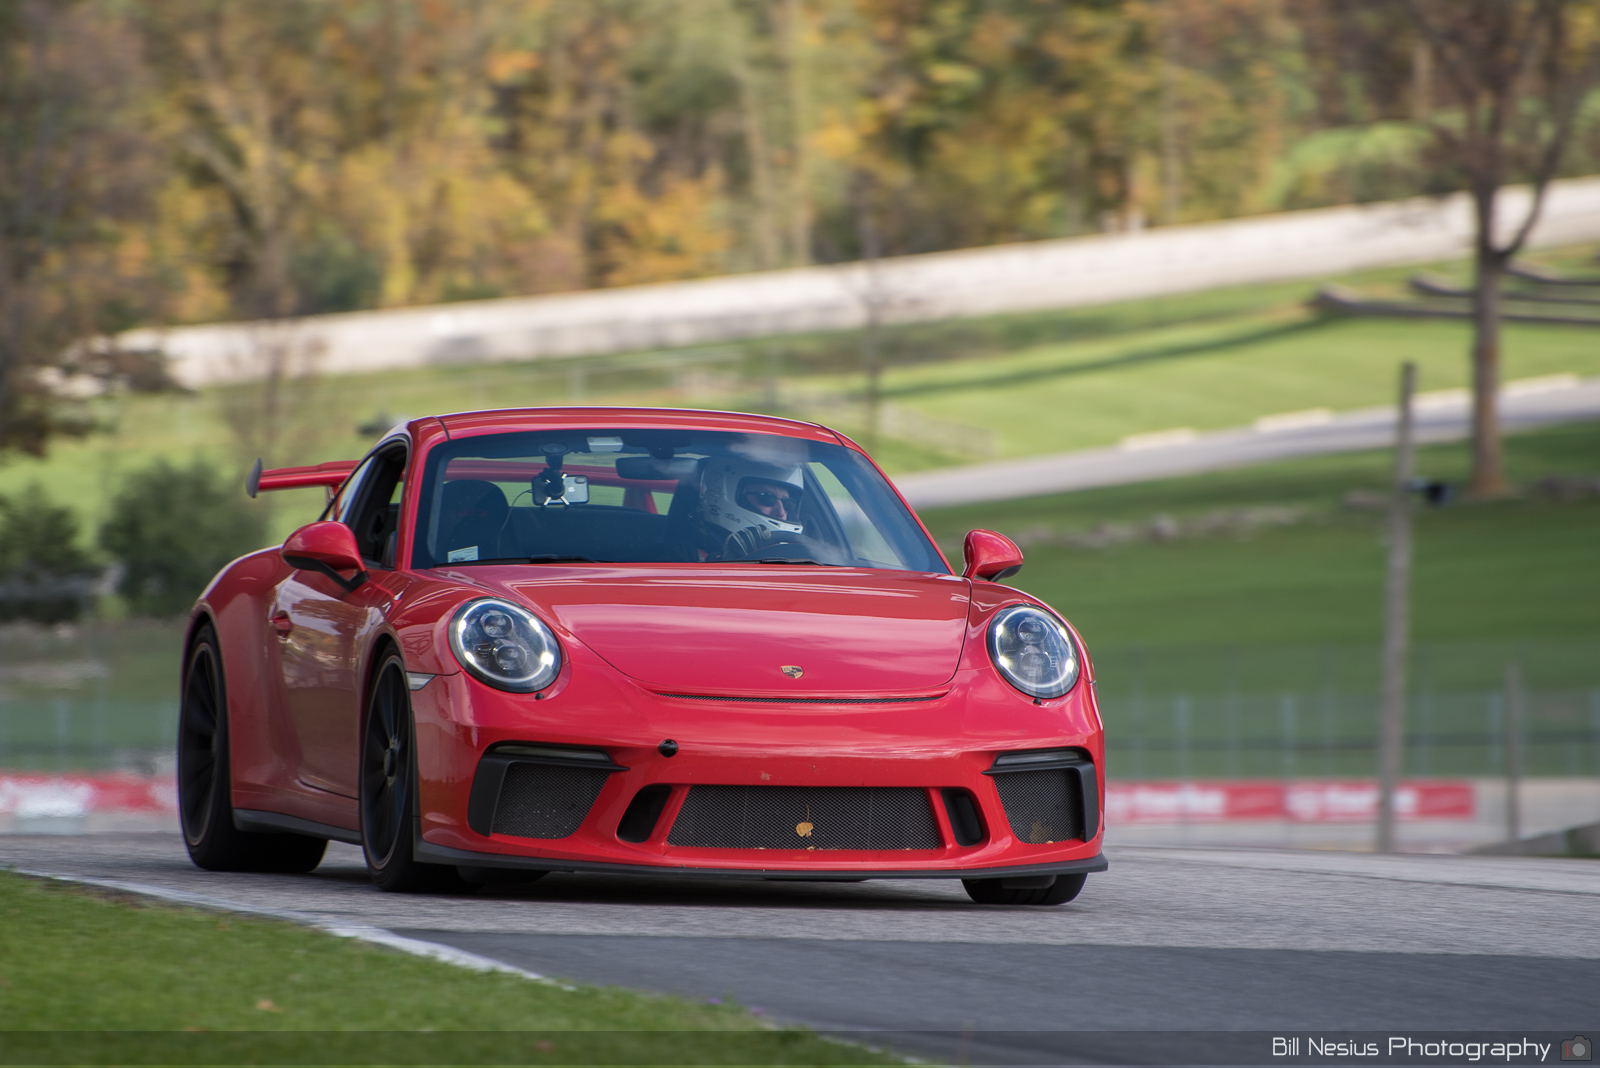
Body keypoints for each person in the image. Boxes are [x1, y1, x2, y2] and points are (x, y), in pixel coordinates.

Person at [697, 458, 807, 559]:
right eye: (767, 497)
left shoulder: (801, 554)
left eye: (788, 503)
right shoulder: (688, 551)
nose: (781, 512)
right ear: (725, 493)